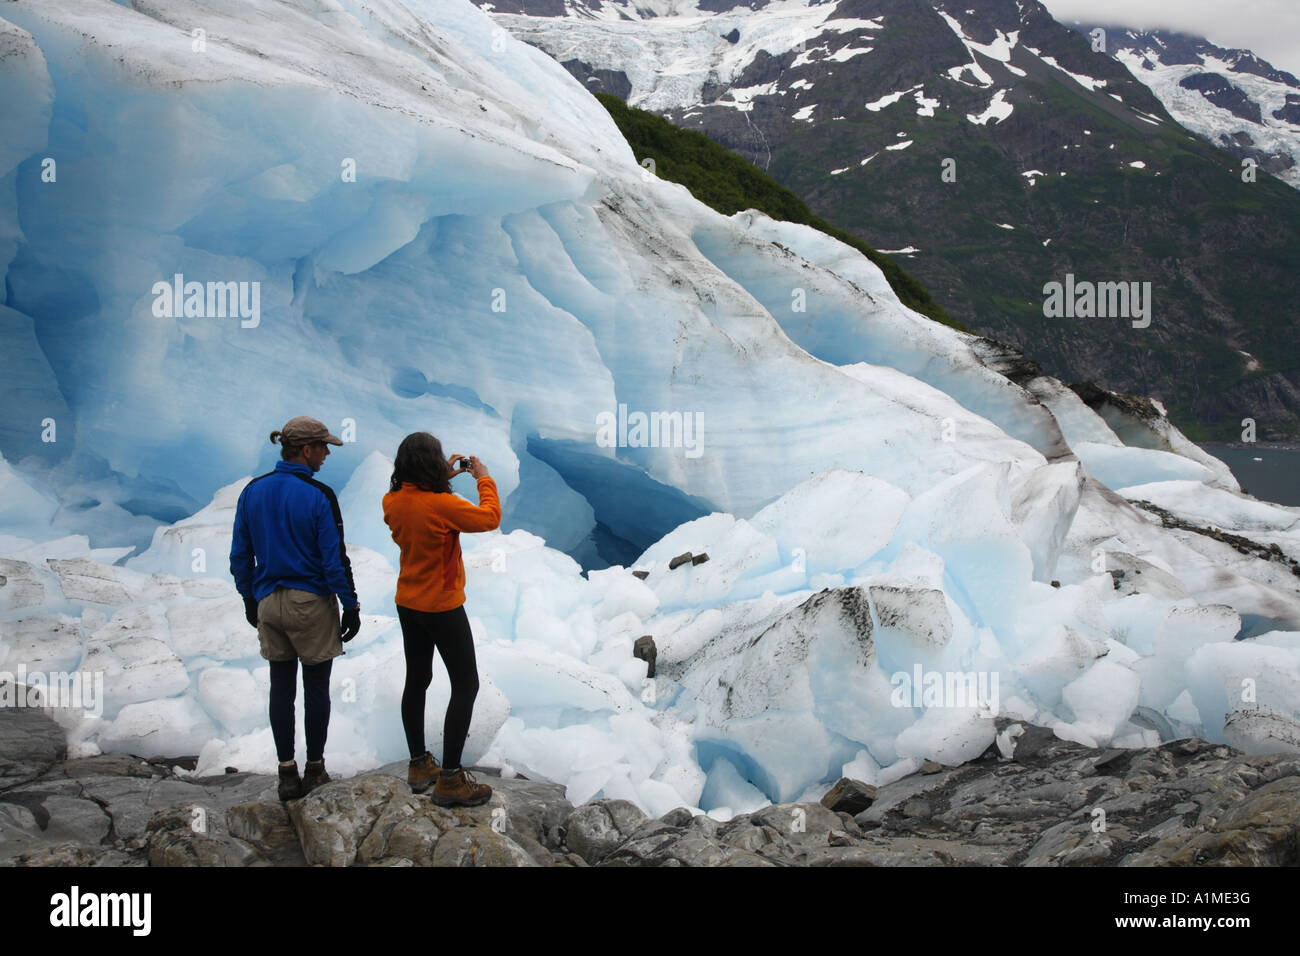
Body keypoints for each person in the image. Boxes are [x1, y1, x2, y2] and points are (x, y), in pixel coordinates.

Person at [230, 416, 361, 801]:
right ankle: (315, 770)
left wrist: (249, 598)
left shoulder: (253, 491)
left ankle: (286, 773)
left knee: (281, 687)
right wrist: (350, 605)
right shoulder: (319, 495)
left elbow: (241, 554)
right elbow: (333, 559)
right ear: (305, 449)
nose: (325, 455)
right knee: (316, 687)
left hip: (269, 600)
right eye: (323, 447)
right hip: (311, 603)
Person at [382, 432, 500, 806]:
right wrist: (482, 476)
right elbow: (489, 518)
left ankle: (419, 764)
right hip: (443, 606)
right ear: (432, 463)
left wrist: (442, 479)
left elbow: (422, 506)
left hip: (408, 602)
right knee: (466, 684)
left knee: (417, 679)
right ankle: (450, 778)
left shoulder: (393, 500)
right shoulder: (442, 505)